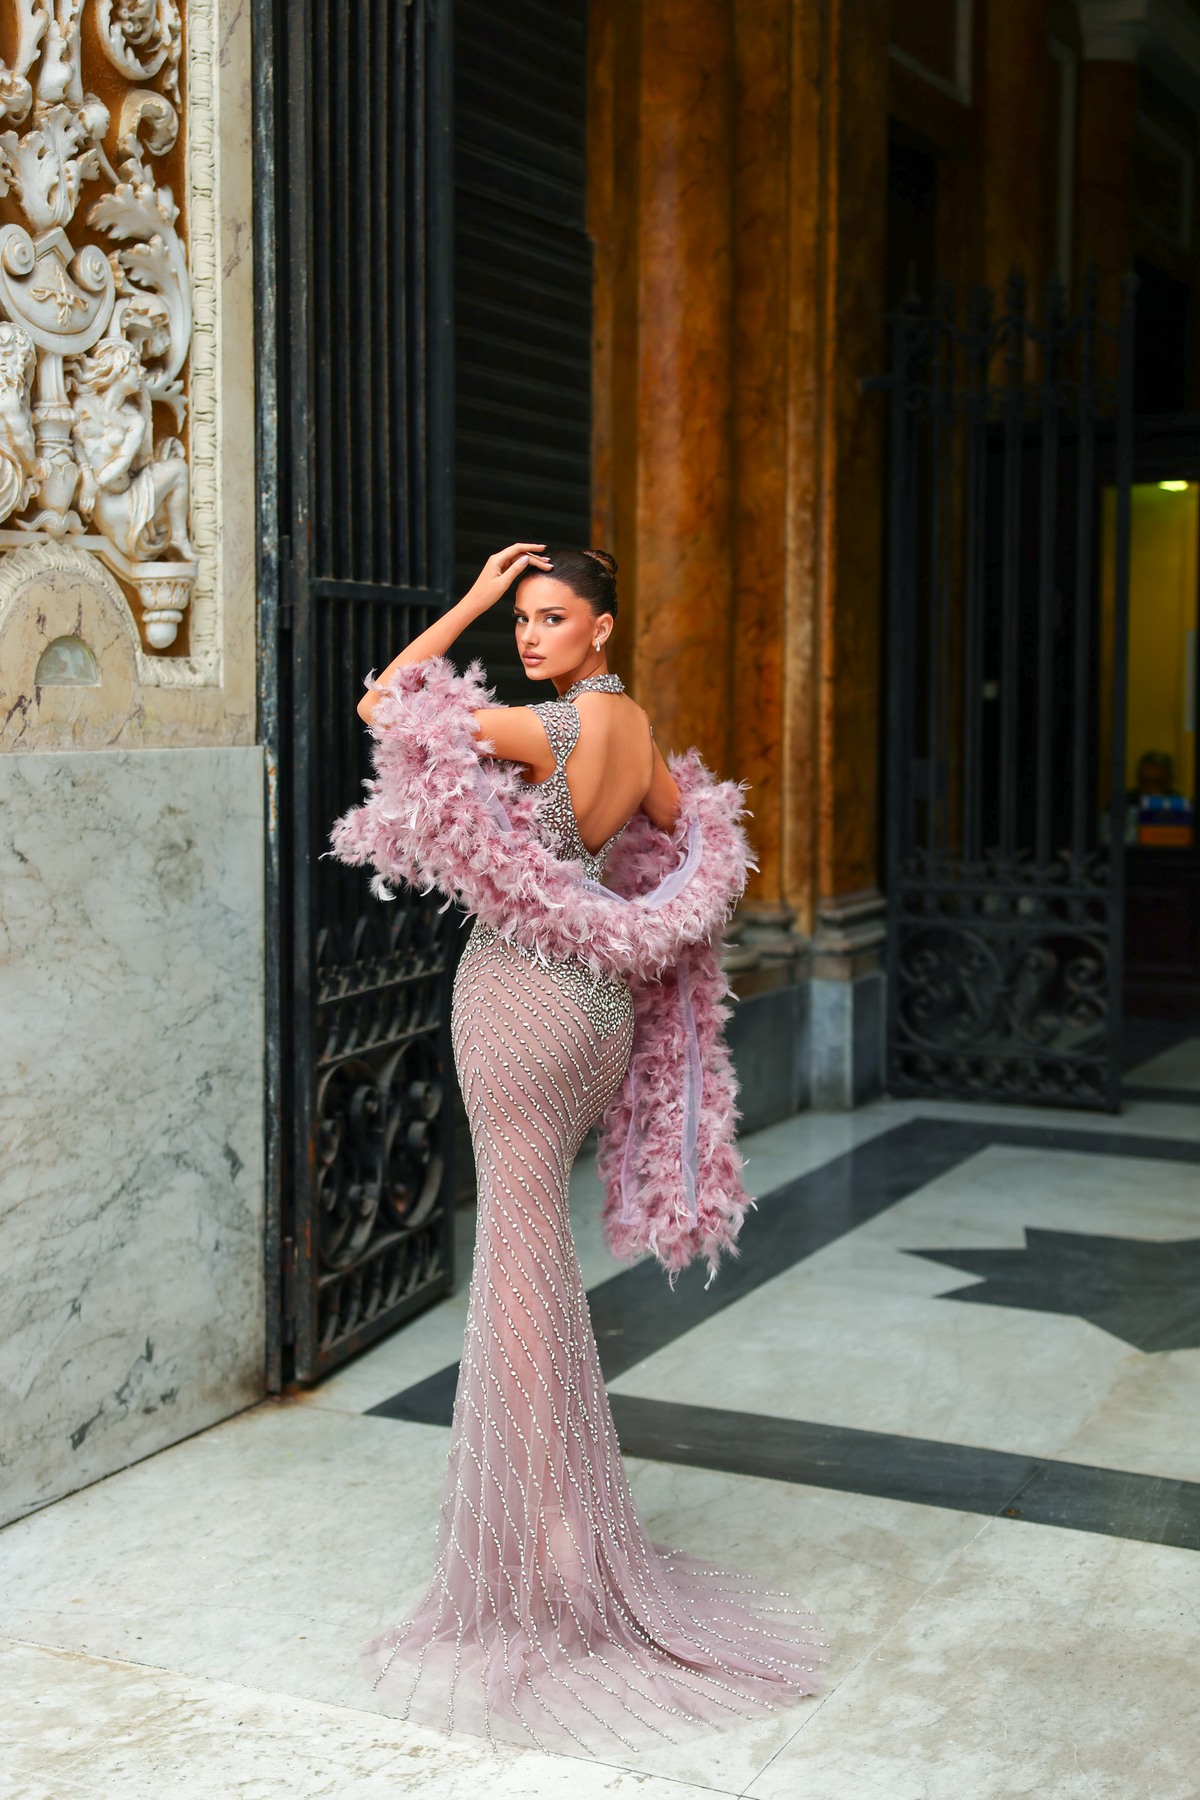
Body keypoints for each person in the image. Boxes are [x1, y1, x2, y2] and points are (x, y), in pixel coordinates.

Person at [335, 543, 828, 1753]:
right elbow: (691, 844)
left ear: (601, 628)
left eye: (550, 618)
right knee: (534, 1255)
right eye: (519, 619)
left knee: (517, 1265)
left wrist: (460, 603)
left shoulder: (549, 729)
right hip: (599, 1005)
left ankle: (553, 1543)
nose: (527, 636)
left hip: (521, 995)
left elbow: (385, 703)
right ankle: (563, 1522)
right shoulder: (637, 735)